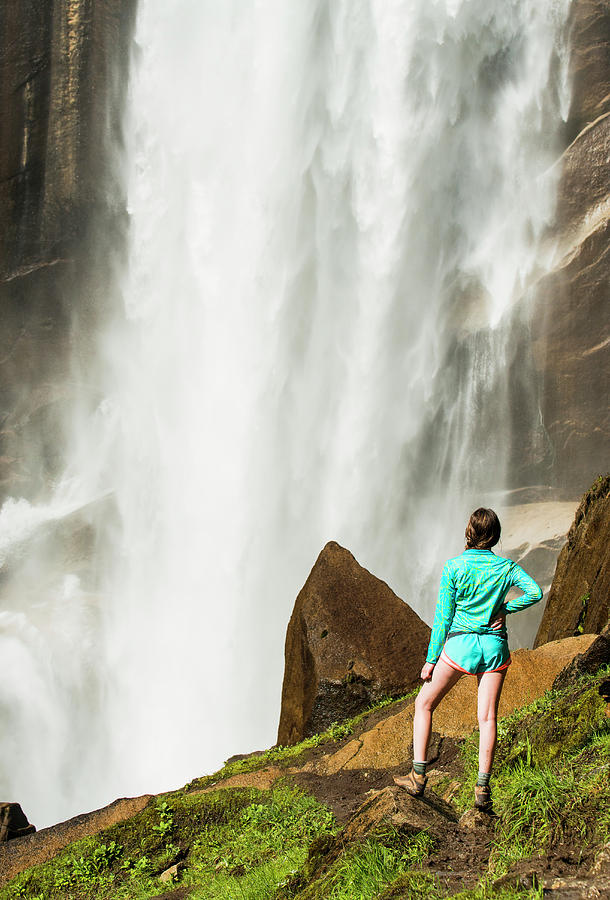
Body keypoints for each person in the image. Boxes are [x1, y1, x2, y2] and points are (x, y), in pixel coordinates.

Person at [393, 507, 542, 811]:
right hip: (494, 648)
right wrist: (506, 609)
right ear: (495, 535)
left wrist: (431, 660)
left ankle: (418, 776)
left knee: (424, 704)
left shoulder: (454, 567)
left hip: (460, 647)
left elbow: (443, 618)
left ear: (469, 532)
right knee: (487, 718)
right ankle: (483, 789)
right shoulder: (506, 568)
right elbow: (535, 592)